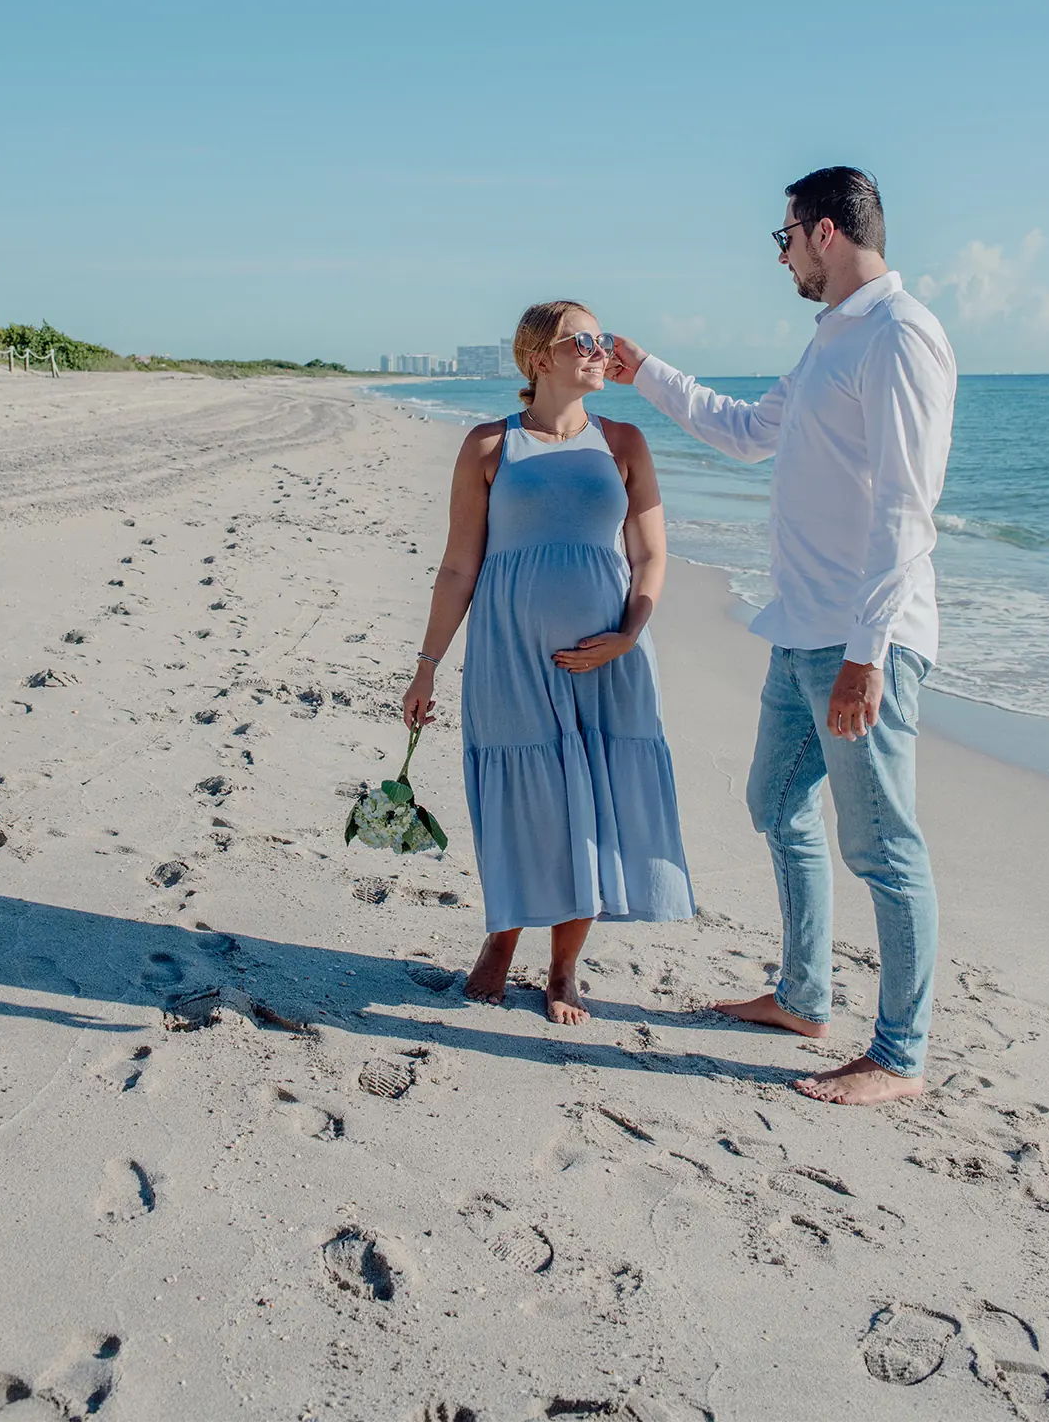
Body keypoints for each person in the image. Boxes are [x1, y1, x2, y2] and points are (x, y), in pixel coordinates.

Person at [607, 168, 956, 1105]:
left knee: (883, 845)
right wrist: (647, 374)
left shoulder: (900, 334)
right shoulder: (831, 341)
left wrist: (866, 655)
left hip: (857, 641)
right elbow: (749, 432)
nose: (782, 256)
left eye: (785, 238)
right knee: (774, 802)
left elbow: (906, 510)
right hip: (801, 632)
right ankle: (804, 999)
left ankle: (899, 1056)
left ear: (826, 233)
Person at [402, 300, 695, 1025]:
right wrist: (427, 665)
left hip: (608, 660)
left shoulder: (623, 441)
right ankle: (500, 944)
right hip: (508, 655)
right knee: (519, 803)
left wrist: (629, 634)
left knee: (590, 803)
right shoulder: (488, 446)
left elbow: (651, 555)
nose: (600, 350)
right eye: (582, 341)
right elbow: (458, 569)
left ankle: (565, 970)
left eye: (601, 338)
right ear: (539, 358)